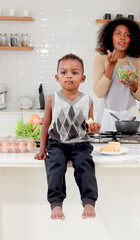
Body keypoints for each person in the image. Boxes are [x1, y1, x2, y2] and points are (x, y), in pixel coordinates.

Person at [34, 53, 101, 220]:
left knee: (85, 163)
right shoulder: (52, 99)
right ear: (57, 77)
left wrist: (94, 128)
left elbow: (89, 126)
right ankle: (56, 204)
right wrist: (42, 149)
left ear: (83, 78)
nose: (69, 76)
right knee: (55, 164)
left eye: (74, 72)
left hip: (81, 144)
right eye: (64, 73)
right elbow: (45, 125)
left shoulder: (88, 101)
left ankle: (88, 201)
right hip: (57, 143)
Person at [93, 18, 140, 131]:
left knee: (132, 148)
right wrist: (111, 65)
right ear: (110, 37)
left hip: (130, 117)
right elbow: (99, 93)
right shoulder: (101, 60)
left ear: (132, 39)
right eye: (118, 33)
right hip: (108, 116)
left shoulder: (136, 62)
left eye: (127, 35)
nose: (122, 37)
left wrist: (133, 84)